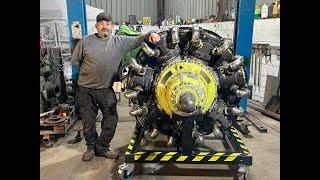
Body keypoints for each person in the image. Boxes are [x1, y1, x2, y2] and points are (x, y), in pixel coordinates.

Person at [71, 12, 160, 162]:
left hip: (106, 89)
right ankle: (91, 148)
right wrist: (90, 73)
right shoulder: (85, 42)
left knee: (111, 119)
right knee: (88, 121)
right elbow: (76, 61)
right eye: (101, 23)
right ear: (96, 25)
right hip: (85, 89)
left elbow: (139, 39)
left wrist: (152, 33)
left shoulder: (120, 41)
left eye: (107, 23)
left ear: (112, 26)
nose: (104, 26)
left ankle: (102, 147)